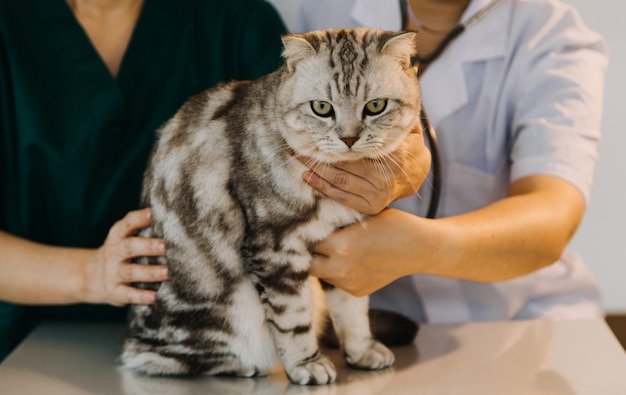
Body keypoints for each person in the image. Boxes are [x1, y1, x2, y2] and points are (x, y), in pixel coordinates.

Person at [268, 0, 609, 323]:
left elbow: (553, 215)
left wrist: (418, 247)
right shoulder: (306, 12)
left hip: (524, 315)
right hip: (361, 320)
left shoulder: (551, 34)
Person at [0, 0, 293, 361]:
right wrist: (94, 274)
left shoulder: (238, 22)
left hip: (220, 344)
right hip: (27, 348)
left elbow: (307, 178)